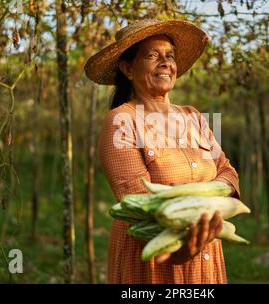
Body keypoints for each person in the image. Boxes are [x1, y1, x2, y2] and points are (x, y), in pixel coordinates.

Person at [84, 19, 241, 284]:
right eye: (153, 55)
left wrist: (203, 206)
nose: (166, 62)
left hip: (206, 253)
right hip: (154, 259)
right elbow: (139, 202)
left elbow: (227, 171)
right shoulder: (122, 121)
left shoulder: (194, 117)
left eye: (170, 55)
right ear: (128, 68)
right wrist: (182, 247)